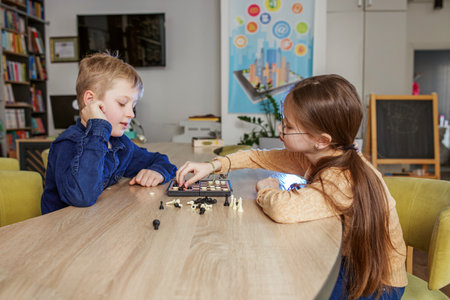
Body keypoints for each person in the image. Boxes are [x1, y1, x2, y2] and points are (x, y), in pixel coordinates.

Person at [176, 74, 407, 299]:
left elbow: (283, 209)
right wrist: (213, 165)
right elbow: (258, 157)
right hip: (353, 261)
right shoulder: (318, 154)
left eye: (288, 126)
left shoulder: (341, 178)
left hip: (377, 282)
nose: (280, 129)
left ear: (322, 140)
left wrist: (266, 188)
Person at [41, 52, 177, 214]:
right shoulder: (68, 143)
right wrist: (98, 126)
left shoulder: (120, 144)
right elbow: (82, 197)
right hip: (62, 231)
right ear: (91, 100)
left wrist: (157, 172)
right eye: (122, 103)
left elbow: (160, 160)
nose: (131, 114)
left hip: (96, 225)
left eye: (132, 106)